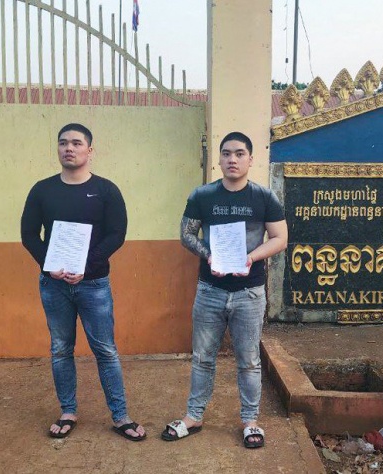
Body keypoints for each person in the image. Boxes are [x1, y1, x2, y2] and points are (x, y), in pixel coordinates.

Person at [161, 131, 288, 449]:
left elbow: (279, 238)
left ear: (250, 159)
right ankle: (194, 417)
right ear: (219, 159)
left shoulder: (264, 197)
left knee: (249, 360)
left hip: (250, 292)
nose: (233, 159)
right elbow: (186, 234)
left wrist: (251, 257)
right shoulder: (202, 195)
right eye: (227, 153)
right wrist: (209, 255)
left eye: (240, 153)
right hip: (210, 290)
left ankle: (250, 421)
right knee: (203, 357)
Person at [20, 123, 145, 441]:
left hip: (94, 284)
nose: (69, 148)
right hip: (54, 285)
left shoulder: (106, 190)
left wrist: (86, 266)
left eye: (76, 143)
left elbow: (116, 234)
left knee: (106, 350)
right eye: (63, 143)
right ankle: (68, 411)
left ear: (90, 150)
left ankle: (121, 416)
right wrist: (50, 266)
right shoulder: (42, 190)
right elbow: (29, 234)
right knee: (61, 349)